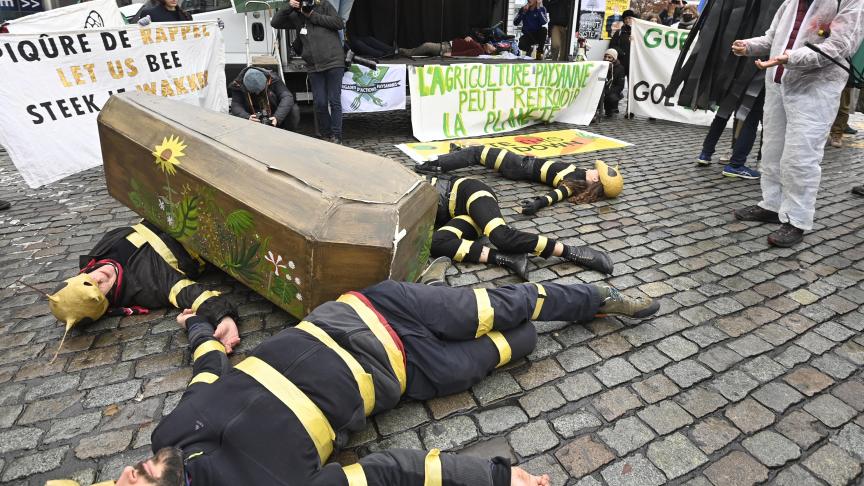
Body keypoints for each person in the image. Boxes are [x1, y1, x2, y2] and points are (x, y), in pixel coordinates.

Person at [61, 277, 659, 486]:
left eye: (115, 477)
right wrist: (497, 478)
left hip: (369, 312)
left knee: (493, 308)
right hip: (402, 371)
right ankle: (569, 317)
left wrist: (202, 327)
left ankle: (592, 299)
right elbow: (388, 473)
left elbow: (209, 371)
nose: (124, 472)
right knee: (503, 350)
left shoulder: (170, 433)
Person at [731, 0, 864, 247]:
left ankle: (797, 219)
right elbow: (773, 39)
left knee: (801, 158)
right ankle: (771, 205)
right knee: (772, 150)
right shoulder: (791, 3)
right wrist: (748, 46)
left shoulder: (850, 2)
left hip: (816, 90)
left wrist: (788, 58)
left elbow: (839, 46)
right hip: (778, 86)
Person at [46, 221, 241, 355]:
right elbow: (191, 294)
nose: (99, 279)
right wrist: (223, 316)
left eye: (87, 280)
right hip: (207, 231)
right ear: (105, 304)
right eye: (99, 290)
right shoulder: (150, 286)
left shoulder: (96, 256)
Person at [425, 171, 615, 279]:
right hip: (458, 215)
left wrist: (539, 202)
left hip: (468, 192)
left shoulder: (405, 182)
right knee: (434, 244)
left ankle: (571, 251)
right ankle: (506, 258)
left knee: (500, 236)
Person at [416, 144, 623, 215]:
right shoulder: (577, 181)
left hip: (518, 166)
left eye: (596, 171)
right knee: (478, 154)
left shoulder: (573, 182)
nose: (592, 169)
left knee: (477, 153)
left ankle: (434, 164)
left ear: (595, 178)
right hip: (521, 163)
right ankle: (454, 156)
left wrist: (537, 203)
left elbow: (555, 195)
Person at [272, 0, 346, 144]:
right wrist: (289, 6)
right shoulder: (295, 16)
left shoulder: (324, 5)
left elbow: (339, 23)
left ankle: (337, 136)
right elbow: (275, 22)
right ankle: (326, 134)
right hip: (314, 65)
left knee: (334, 100)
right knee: (320, 103)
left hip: (334, 61)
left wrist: (312, 15)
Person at [696, 90, 764, 179]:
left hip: (736, 80)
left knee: (723, 114)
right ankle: (737, 164)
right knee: (750, 119)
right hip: (755, 83)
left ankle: (705, 153)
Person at [229, 66, 300, 131]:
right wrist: (247, 117)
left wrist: (277, 117)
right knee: (236, 114)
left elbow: (287, 97)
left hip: (275, 113)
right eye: (253, 92)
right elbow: (236, 105)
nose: (257, 94)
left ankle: (289, 133)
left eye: (261, 90)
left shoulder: (273, 78)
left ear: (266, 81)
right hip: (253, 116)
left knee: (294, 109)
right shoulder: (237, 85)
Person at [400, 36, 498, 57]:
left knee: (427, 46)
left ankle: (404, 52)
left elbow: (465, 53)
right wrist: (470, 38)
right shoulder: (480, 45)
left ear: (489, 52)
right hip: (447, 45)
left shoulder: (480, 50)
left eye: (493, 47)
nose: (491, 44)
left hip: (447, 49)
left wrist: (451, 54)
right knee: (423, 48)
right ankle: (401, 51)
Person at [608, 10, 636, 76]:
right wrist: (622, 53)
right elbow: (612, 46)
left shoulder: (638, 32)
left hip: (634, 64)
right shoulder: (619, 33)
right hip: (622, 64)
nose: (627, 20)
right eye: (625, 18)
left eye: (629, 18)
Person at [603, 48, 627, 117]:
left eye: (609, 57)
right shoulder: (601, 66)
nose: (606, 59)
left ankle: (612, 107)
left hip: (612, 90)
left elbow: (620, 86)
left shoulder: (620, 68)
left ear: (614, 58)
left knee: (611, 97)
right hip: (602, 88)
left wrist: (608, 92)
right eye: (605, 56)